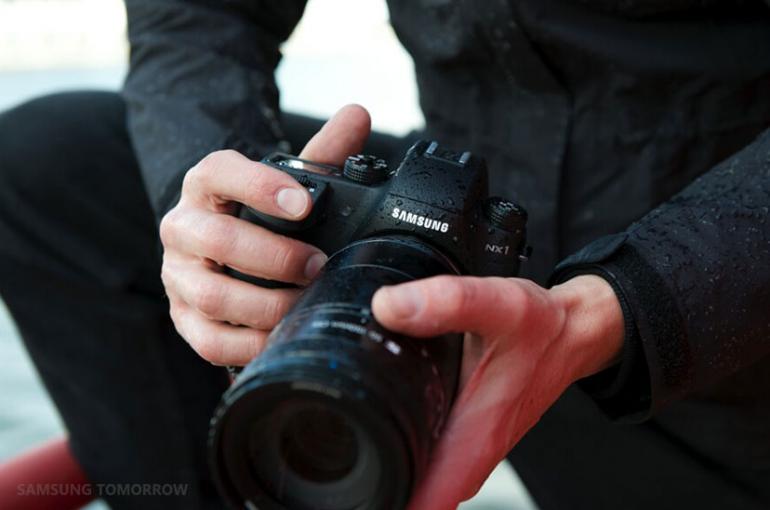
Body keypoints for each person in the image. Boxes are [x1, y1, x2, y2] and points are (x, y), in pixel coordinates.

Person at [1, 1, 769, 509]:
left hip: (724, 321)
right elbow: (201, 14)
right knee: (47, 164)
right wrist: (233, 215)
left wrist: (617, 307)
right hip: (464, 253)